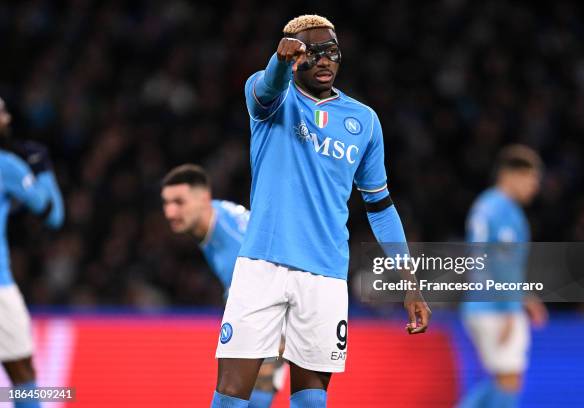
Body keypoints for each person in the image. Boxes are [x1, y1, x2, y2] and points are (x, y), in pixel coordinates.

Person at [211, 14, 431, 408]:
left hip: (326, 275)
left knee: (311, 400)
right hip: (262, 264)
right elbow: (266, 89)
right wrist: (279, 61)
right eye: (314, 53)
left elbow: (380, 206)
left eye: (333, 51)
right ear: (295, 56)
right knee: (230, 394)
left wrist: (408, 281)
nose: (326, 60)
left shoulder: (363, 121)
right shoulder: (272, 100)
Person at [161, 164, 284, 408]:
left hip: (279, 307)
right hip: (263, 302)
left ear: (204, 199)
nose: (170, 212)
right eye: (166, 203)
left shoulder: (233, 246)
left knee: (247, 393)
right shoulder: (213, 218)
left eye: (178, 202)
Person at [459, 145, 548, 408]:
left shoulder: (486, 205)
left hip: (484, 301)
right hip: (495, 306)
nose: (535, 186)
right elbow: (500, 263)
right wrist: (511, 309)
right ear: (511, 175)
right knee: (509, 380)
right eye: (532, 178)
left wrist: (525, 298)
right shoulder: (502, 209)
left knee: (504, 380)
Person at [0, 97, 64, 408]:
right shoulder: (6, 165)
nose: (8, 117)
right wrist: (41, 168)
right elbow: (51, 212)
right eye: (2, 111)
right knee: (22, 373)